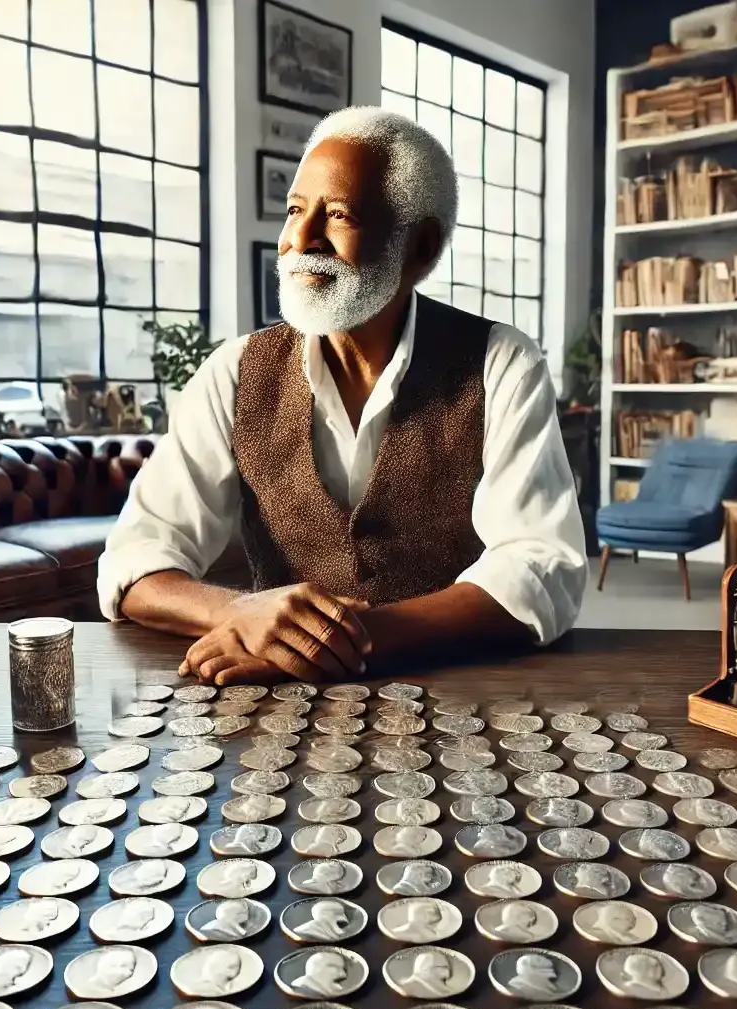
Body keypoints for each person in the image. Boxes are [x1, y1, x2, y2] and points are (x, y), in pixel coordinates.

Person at [100, 106, 586, 684]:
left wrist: (330, 642)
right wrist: (241, 614)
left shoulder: (501, 362)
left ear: (421, 248)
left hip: (456, 695)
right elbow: (134, 561)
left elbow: (540, 566)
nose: (299, 242)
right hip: (271, 707)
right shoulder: (233, 372)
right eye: (294, 211)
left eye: (338, 216)